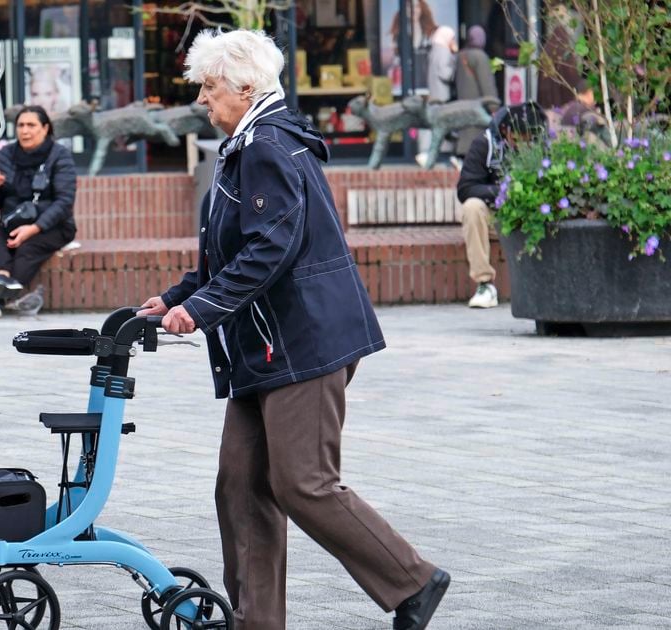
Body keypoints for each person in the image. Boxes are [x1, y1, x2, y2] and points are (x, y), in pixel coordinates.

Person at [136, 29, 449, 630]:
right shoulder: (253, 142)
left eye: (209, 86)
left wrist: (200, 311)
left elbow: (270, 248)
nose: (203, 99)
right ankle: (257, 622)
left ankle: (413, 580)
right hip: (267, 343)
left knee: (303, 482)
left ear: (245, 87)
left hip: (301, 342)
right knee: (241, 485)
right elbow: (234, 251)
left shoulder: (267, 146)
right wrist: (178, 296)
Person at [0, 105, 76, 318]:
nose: (25, 131)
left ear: (45, 128)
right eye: (20, 125)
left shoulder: (60, 155)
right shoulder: (5, 155)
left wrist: (34, 228)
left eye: (31, 125)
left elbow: (65, 201)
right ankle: (2, 281)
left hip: (52, 225)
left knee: (27, 248)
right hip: (12, 222)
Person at [458, 102, 546, 309]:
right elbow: (466, 188)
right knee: (472, 207)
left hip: (530, 217)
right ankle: (484, 284)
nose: (523, 145)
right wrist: (504, 192)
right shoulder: (484, 144)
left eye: (529, 140)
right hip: (496, 218)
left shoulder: (544, 144)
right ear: (506, 130)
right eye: (518, 139)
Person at [416, 25, 458, 166]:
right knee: (444, 127)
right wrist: (455, 61)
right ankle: (434, 155)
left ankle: (430, 154)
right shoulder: (444, 52)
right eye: (452, 38)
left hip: (435, 93)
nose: (453, 41)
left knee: (440, 127)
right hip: (442, 95)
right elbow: (445, 74)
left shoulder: (434, 50)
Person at [454, 25, 498, 158]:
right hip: (478, 105)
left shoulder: (460, 55)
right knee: (476, 140)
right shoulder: (480, 56)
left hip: (462, 103)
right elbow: (487, 84)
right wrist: (494, 106)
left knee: (465, 134)